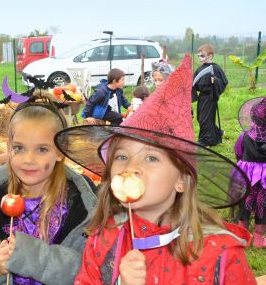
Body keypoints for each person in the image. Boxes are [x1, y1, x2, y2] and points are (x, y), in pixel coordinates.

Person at [56, 55, 256, 284]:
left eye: (151, 157)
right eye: (121, 156)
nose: (131, 167)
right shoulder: (104, 239)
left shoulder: (220, 254)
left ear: (181, 179)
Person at [0, 97, 98, 285]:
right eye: (20, 148)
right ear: (9, 148)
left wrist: (31, 255)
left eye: (41, 149)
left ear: (60, 151)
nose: (28, 159)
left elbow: (87, 267)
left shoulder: (80, 204)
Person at [233, 97, 266, 248]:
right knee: (262, 203)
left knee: (245, 201)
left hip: (247, 175)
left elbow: (238, 152)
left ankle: (242, 235)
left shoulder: (244, 136)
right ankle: (259, 236)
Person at [192, 43, 228, 147]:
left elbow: (224, 82)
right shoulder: (199, 69)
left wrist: (215, 80)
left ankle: (206, 141)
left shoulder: (216, 68)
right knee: (200, 118)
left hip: (211, 97)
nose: (200, 58)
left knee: (205, 119)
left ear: (210, 56)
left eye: (202, 56)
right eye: (198, 56)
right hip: (202, 97)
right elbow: (194, 82)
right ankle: (217, 133)